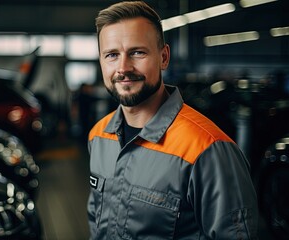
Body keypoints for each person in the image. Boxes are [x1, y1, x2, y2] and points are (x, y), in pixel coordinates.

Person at [86, 1, 259, 239]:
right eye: (112, 55)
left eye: (137, 52)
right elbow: (96, 219)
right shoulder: (98, 135)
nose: (123, 67)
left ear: (164, 57)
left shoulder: (208, 149)